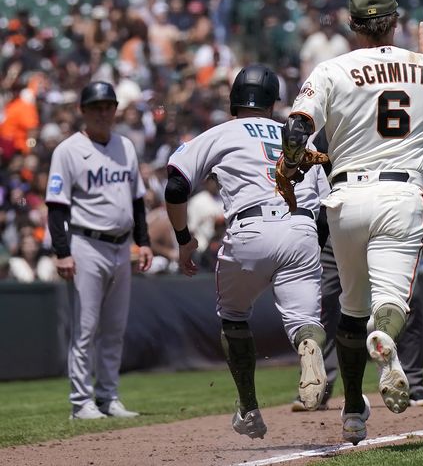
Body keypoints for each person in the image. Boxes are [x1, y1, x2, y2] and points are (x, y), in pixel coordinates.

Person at [279, 0, 423, 444]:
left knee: (351, 312)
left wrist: (294, 160)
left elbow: (296, 129)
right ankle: (388, 345)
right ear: (395, 22)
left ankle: (354, 411)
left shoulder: (332, 69)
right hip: (401, 197)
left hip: (345, 200)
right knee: (392, 305)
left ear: (353, 24)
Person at [164, 64, 329, 439]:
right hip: (301, 226)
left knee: (234, 316)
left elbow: (175, 188)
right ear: (274, 101)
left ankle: (250, 410)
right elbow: (323, 212)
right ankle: (308, 347)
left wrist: (183, 239)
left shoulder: (221, 133)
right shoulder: (302, 138)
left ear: (234, 99)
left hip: (250, 229)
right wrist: (307, 254)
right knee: (305, 323)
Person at [290, 144, 423, 411]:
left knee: (404, 300)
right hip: (337, 223)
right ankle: (321, 385)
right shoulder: (332, 122)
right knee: (328, 302)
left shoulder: (394, 125)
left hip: (385, 212)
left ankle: (414, 382)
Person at [46, 81, 154, 420]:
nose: (103, 112)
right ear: (83, 111)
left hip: (122, 246)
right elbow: (56, 207)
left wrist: (144, 241)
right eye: (96, 107)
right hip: (86, 244)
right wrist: (62, 252)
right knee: (86, 328)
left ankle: (108, 396)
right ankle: (81, 403)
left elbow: (136, 201)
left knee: (115, 328)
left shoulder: (125, 146)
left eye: (108, 106)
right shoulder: (67, 150)